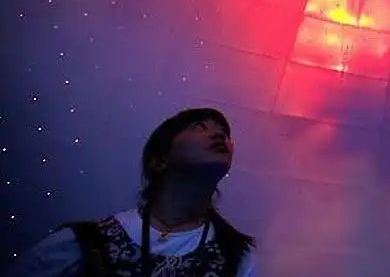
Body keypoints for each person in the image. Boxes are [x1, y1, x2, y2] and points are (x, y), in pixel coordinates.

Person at [7, 107, 257, 276]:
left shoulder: (239, 259)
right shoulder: (83, 243)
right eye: (200, 126)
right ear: (159, 160)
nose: (220, 134)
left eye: (225, 133)